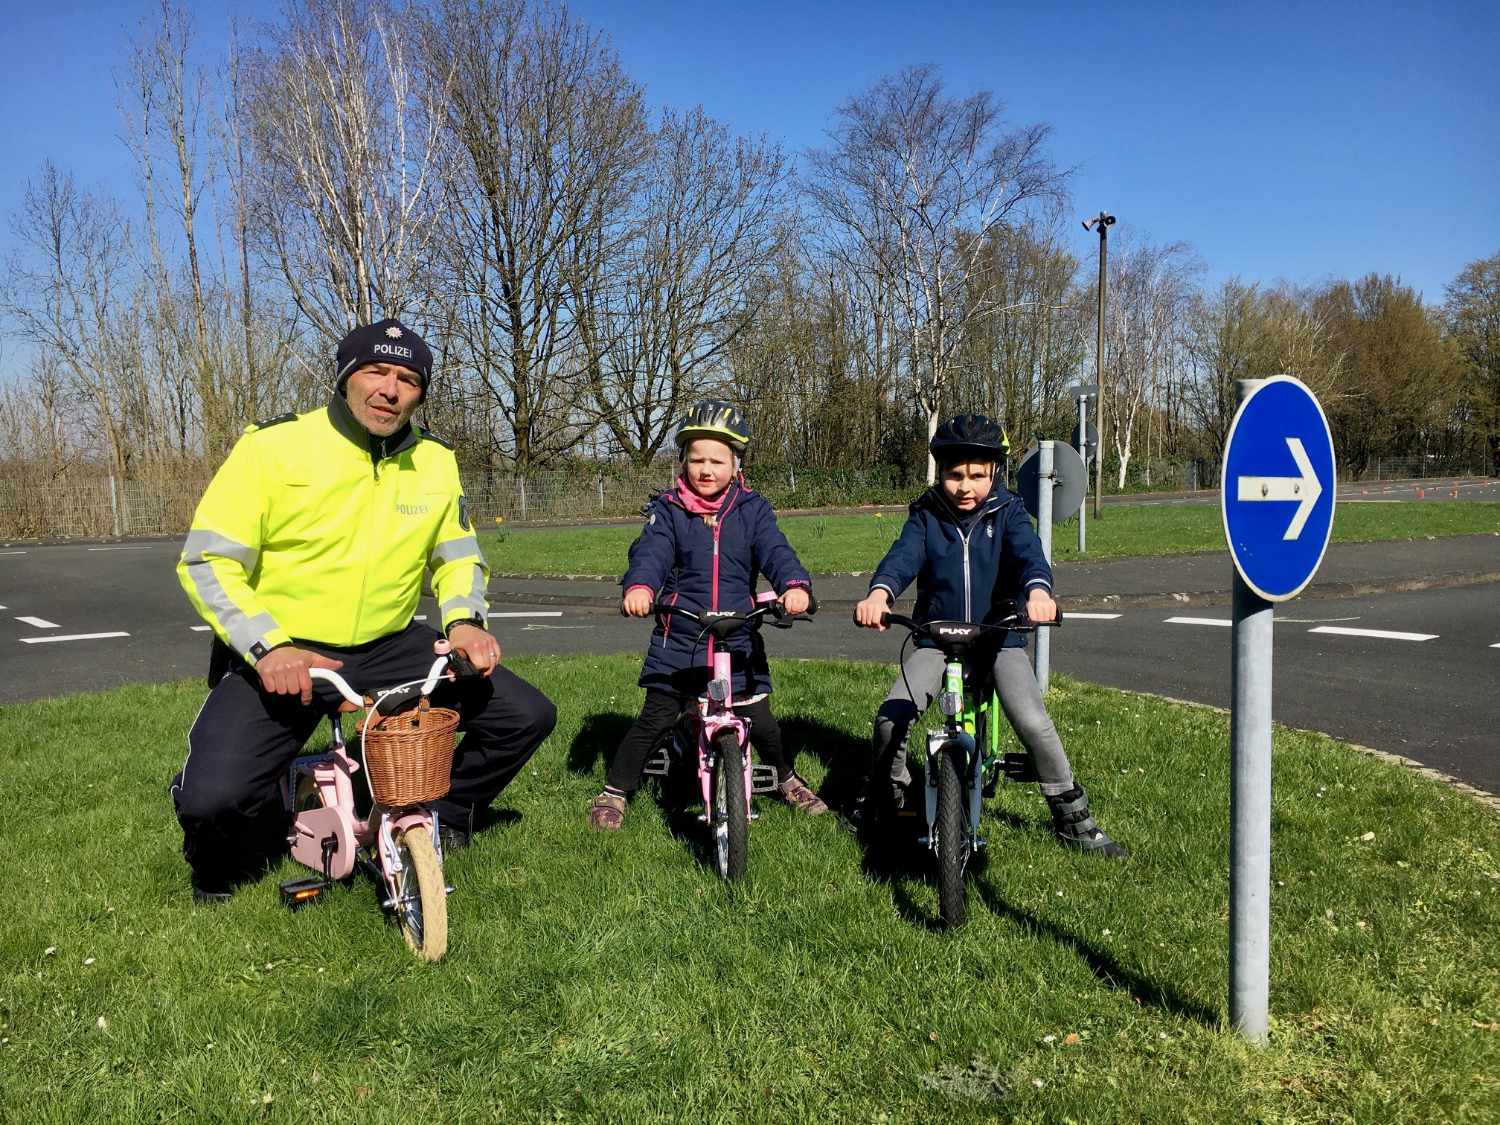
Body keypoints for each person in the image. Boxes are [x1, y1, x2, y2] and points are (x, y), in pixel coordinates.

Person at [174, 318, 556, 902]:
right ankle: (213, 858)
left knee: (524, 714)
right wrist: (267, 645)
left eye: (408, 379)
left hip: (389, 645)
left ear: (420, 393)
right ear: (346, 376)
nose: (390, 389)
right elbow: (207, 563)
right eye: (376, 371)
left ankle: (446, 817)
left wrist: (464, 623)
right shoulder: (271, 448)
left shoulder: (435, 461)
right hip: (285, 649)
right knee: (213, 799)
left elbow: (458, 557)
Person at [852, 413, 1127, 857]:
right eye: (955, 475)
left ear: (995, 472)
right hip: (935, 637)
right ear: (940, 472)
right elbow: (901, 558)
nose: (965, 486)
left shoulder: (1009, 511)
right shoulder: (926, 515)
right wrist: (879, 593)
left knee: (1033, 721)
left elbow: (1028, 555)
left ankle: (1071, 814)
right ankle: (895, 793)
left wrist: (1038, 591)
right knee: (890, 719)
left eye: (977, 475)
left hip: (999, 637)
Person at [587, 400, 825, 830]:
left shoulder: (753, 510)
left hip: (737, 636)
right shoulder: (669, 510)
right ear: (682, 461)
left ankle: (787, 779)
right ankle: (615, 791)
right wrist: (640, 587)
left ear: (736, 465)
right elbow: (651, 554)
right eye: (696, 459)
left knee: (762, 722)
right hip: (681, 637)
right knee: (656, 718)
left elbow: (776, 551)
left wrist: (794, 586)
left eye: (717, 460)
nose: (706, 469)